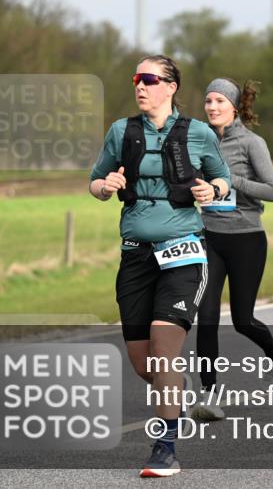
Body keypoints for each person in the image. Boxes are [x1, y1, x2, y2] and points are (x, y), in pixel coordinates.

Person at [89, 55, 231, 477]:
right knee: (143, 362)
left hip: (184, 253)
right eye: (136, 78)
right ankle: (177, 394)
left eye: (149, 79)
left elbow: (223, 178)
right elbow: (95, 181)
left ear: (170, 86)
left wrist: (212, 188)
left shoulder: (199, 132)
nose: (140, 85)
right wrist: (106, 186)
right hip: (135, 254)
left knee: (164, 347)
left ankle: (165, 447)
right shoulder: (122, 131)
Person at [193, 78, 273, 422]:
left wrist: (231, 182)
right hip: (209, 236)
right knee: (205, 317)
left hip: (247, 238)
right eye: (208, 101)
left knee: (242, 319)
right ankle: (209, 392)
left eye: (219, 101)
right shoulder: (199, 141)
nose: (212, 107)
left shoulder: (252, 143)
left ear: (234, 106)